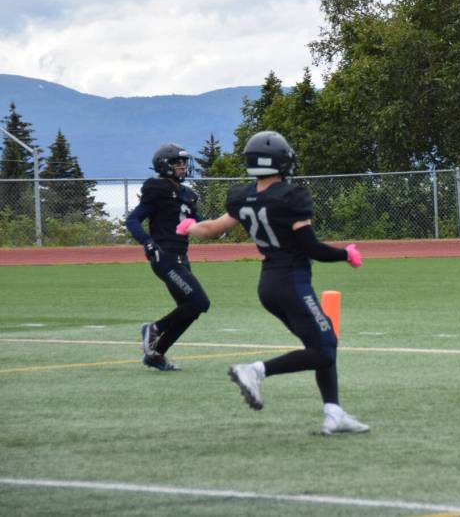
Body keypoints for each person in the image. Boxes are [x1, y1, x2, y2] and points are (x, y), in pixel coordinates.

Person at [176, 130, 369, 435]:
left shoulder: (243, 196)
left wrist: (188, 228)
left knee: (322, 342)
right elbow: (310, 247)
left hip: (269, 285)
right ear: (280, 161)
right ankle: (255, 371)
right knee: (323, 349)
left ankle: (334, 413)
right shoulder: (291, 196)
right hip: (292, 281)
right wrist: (345, 253)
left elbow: (212, 229)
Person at [125, 143, 210, 371]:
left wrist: (228, 220)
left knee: (191, 309)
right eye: (178, 163)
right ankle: (152, 329)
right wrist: (147, 242)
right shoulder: (157, 188)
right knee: (201, 302)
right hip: (165, 257)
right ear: (165, 165)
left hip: (182, 257)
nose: (183, 166)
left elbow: (200, 224)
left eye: (184, 162)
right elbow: (133, 220)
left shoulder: (187, 194)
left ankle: (156, 354)